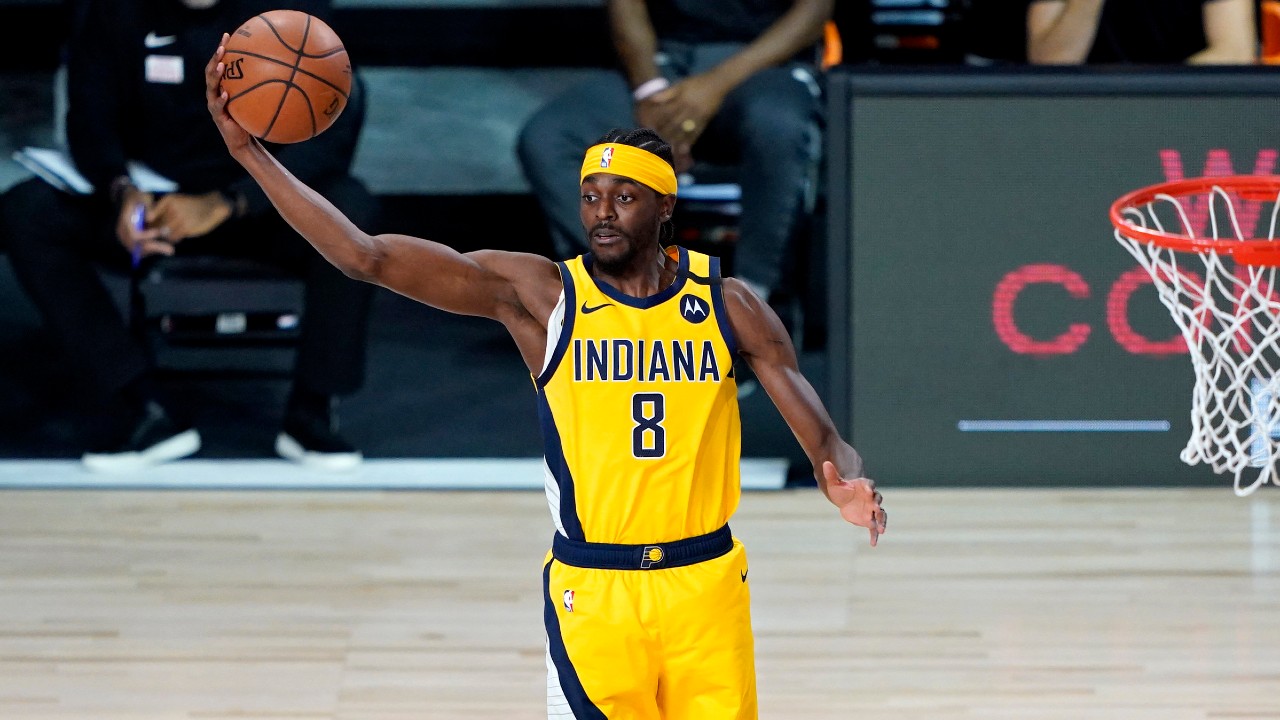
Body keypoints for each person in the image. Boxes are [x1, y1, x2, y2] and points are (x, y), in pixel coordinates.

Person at [206, 34, 885, 717]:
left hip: (707, 586)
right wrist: (248, 154)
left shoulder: (727, 303)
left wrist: (844, 477)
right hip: (594, 591)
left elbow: (823, 436)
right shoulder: (543, 295)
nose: (601, 212)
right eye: (590, 195)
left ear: (665, 208)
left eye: (624, 197)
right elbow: (365, 257)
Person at [0, 0, 379, 472]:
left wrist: (228, 202)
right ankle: (137, 403)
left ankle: (313, 409)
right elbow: (89, 118)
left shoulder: (292, 12)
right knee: (26, 210)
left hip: (260, 205)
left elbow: (330, 137)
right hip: (154, 210)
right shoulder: (113, 11)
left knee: (351, 208)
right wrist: (121, 191)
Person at [516, 0, 831, 317]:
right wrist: (649, 93)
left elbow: (813, 14)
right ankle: (631, 285)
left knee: (778, 125)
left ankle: (750, 305)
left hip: (764, 64)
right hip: (663, 60)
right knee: (550, 137)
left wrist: (711, 87)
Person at [1026, 0, 1258, 64]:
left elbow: (1234, 51)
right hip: (1087, 113)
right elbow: (1051, 61)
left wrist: (1147, 90)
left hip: (1185, 113)